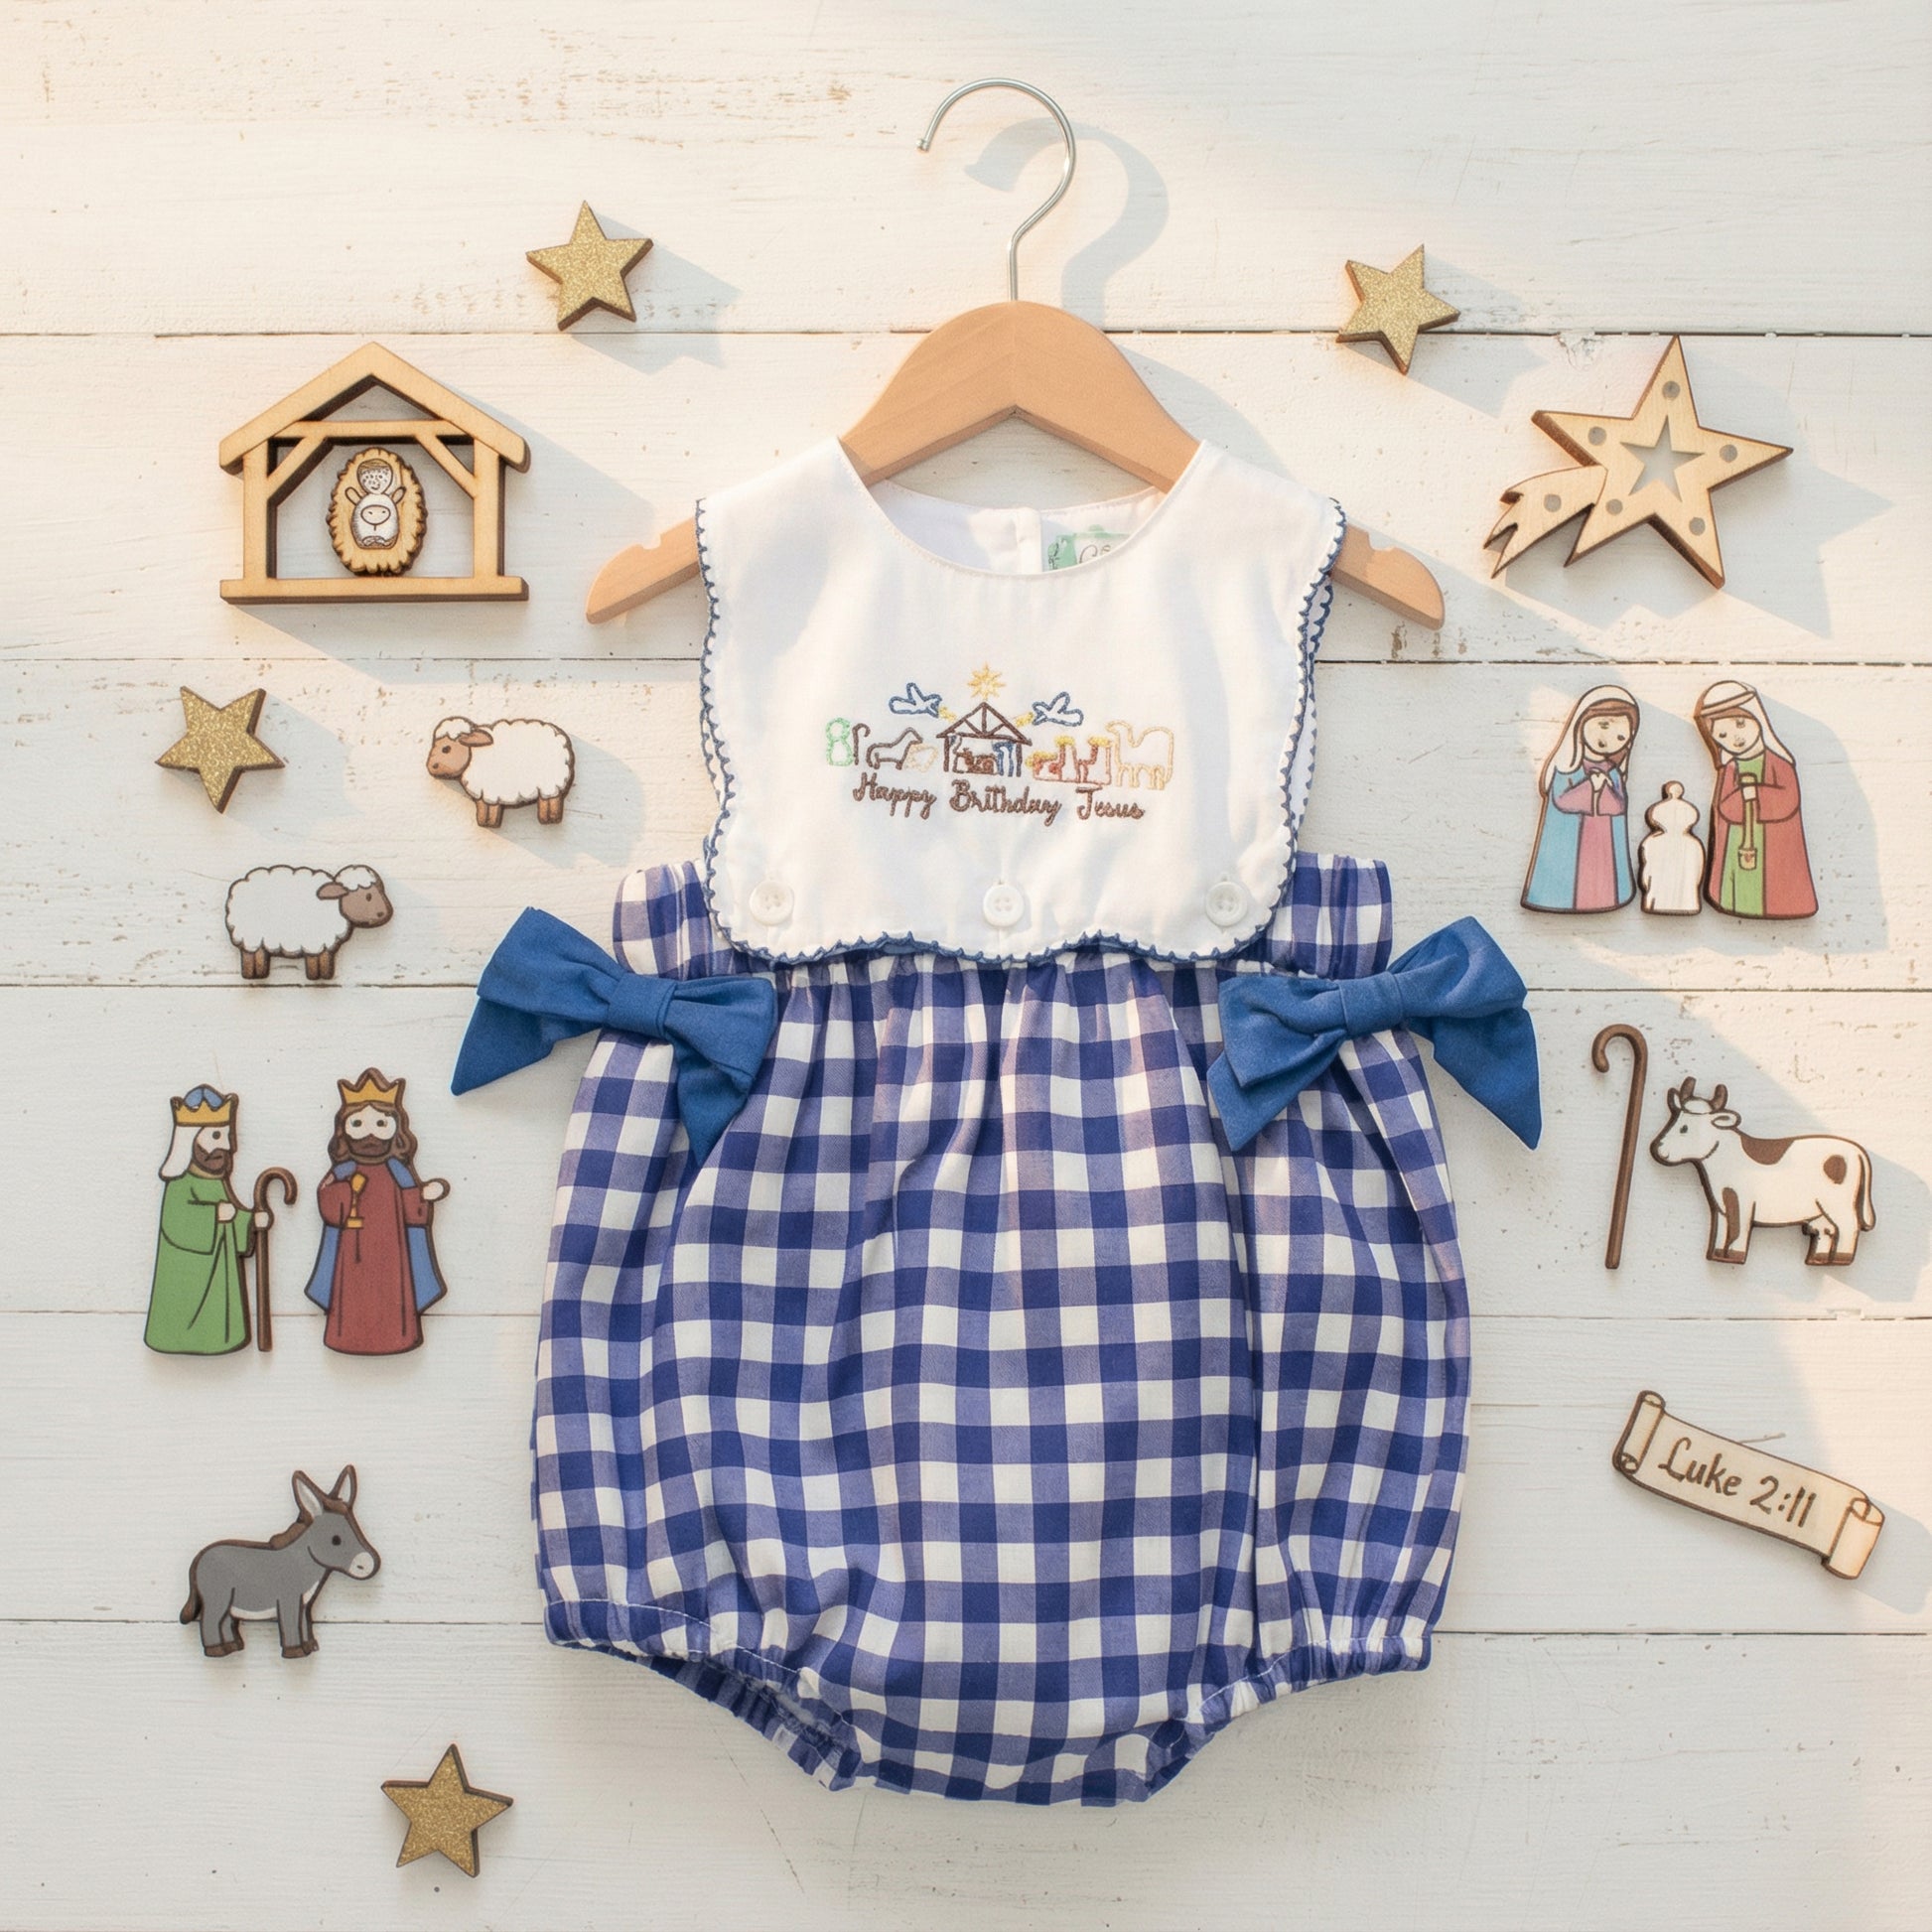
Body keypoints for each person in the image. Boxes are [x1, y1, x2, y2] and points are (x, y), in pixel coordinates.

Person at [303, 1070, 449, 1355]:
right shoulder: (342, 1171)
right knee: (352, 1294)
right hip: (351, 1254)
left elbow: (412, 1210)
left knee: (392, 1293)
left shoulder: (398, 1171)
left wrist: (424, 1195)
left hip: (391, 1254)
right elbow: (327, 1201)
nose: (370, 1133)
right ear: (344, 1128)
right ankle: (347, 1338)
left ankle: (396, 1338)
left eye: (380, 1123)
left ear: (395, 1128)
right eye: (358, 1123)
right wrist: (346, 1193)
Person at [146, 1087, 270, 1355]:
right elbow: (175, 1223)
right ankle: (176, 1338)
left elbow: (231, 1215)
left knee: (217, 1311)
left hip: (217, 1273)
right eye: (216, 1136)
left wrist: (251, 1222)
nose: (226, 1146)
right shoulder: (180, 1184)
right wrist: (213, 1215)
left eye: (226, 1136)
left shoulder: (216, 1182)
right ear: (191, 1139)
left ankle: (219, 1338)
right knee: (184, 1313)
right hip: (187, 1276)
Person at [1694, 680, 1817, 919]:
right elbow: (1724, 806)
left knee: (1772, 885)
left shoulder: (1779, 763)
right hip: (1737, 842)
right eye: (1722, 734)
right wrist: (1742, 796)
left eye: (1740, 724)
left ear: (1757, 719)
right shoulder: (1730, 769)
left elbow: (1788, 799)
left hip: (1773, 847)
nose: (1735, 737)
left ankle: (1779, 905)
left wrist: (1756, 793)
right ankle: (1734, 900)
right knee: (1737, 882)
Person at [1522, 686, 1641, 912]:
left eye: (1621, 735)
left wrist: (1605, 788)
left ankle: (1603, 898)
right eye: (1603, 726)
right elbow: (1561, 800)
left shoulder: (1613, 772)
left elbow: (1619, 806)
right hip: (1571, 845)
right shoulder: (1567, 767)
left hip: (1603, 841)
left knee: (1600, 878)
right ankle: (1561, 899)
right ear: (1581, 723)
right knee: (1573, 879)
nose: (1609, 738)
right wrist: (1590, 787)